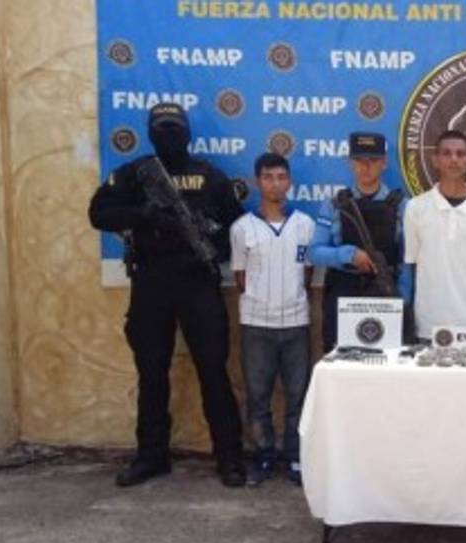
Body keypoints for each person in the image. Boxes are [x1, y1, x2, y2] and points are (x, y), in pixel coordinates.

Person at [88, 102, 246, 487]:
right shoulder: (135, 174)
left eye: (175, 129)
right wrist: (145, 215)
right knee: (152, 372)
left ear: (188, 133)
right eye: (162, 129)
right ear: (150, 133)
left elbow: (238, 229)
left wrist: (210, 242)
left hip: (198, 282)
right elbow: (99, 213)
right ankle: (151, 455)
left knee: (213, 371)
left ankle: (229, 456)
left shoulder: (209, 176)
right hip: (152, 282)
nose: (170, 136)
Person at [230, 153, 315, 486]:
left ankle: (294, 456)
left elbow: (307, 273)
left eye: (281, 177)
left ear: (289, 181)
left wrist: (290, 298)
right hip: (256, 324)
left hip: (295, 322)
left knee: (298, 395)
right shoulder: (242, 228)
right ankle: (263, 454)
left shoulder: (305, 225)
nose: (275, 184)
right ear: (257, 182)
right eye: (268, 177)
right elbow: (240, 277)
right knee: (258, 395)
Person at [310, 132, 412, 352]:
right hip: (344, 292)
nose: (366, 166)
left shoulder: (402, 206)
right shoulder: (333, 204)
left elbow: (407, 258)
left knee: (387, 360)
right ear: (350, 162)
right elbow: (315, 252)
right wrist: (347, 255)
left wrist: (403, 300)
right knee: (340, 360)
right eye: (359, 160)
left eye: (373, 160)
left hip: (386, 293)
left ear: (384, 163)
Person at [403, 130, 466, 340]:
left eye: (460, 154)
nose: (454, 159)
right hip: (430, 322)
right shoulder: (415, 207)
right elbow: (411, 263)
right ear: (435, 160)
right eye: (446, 153)